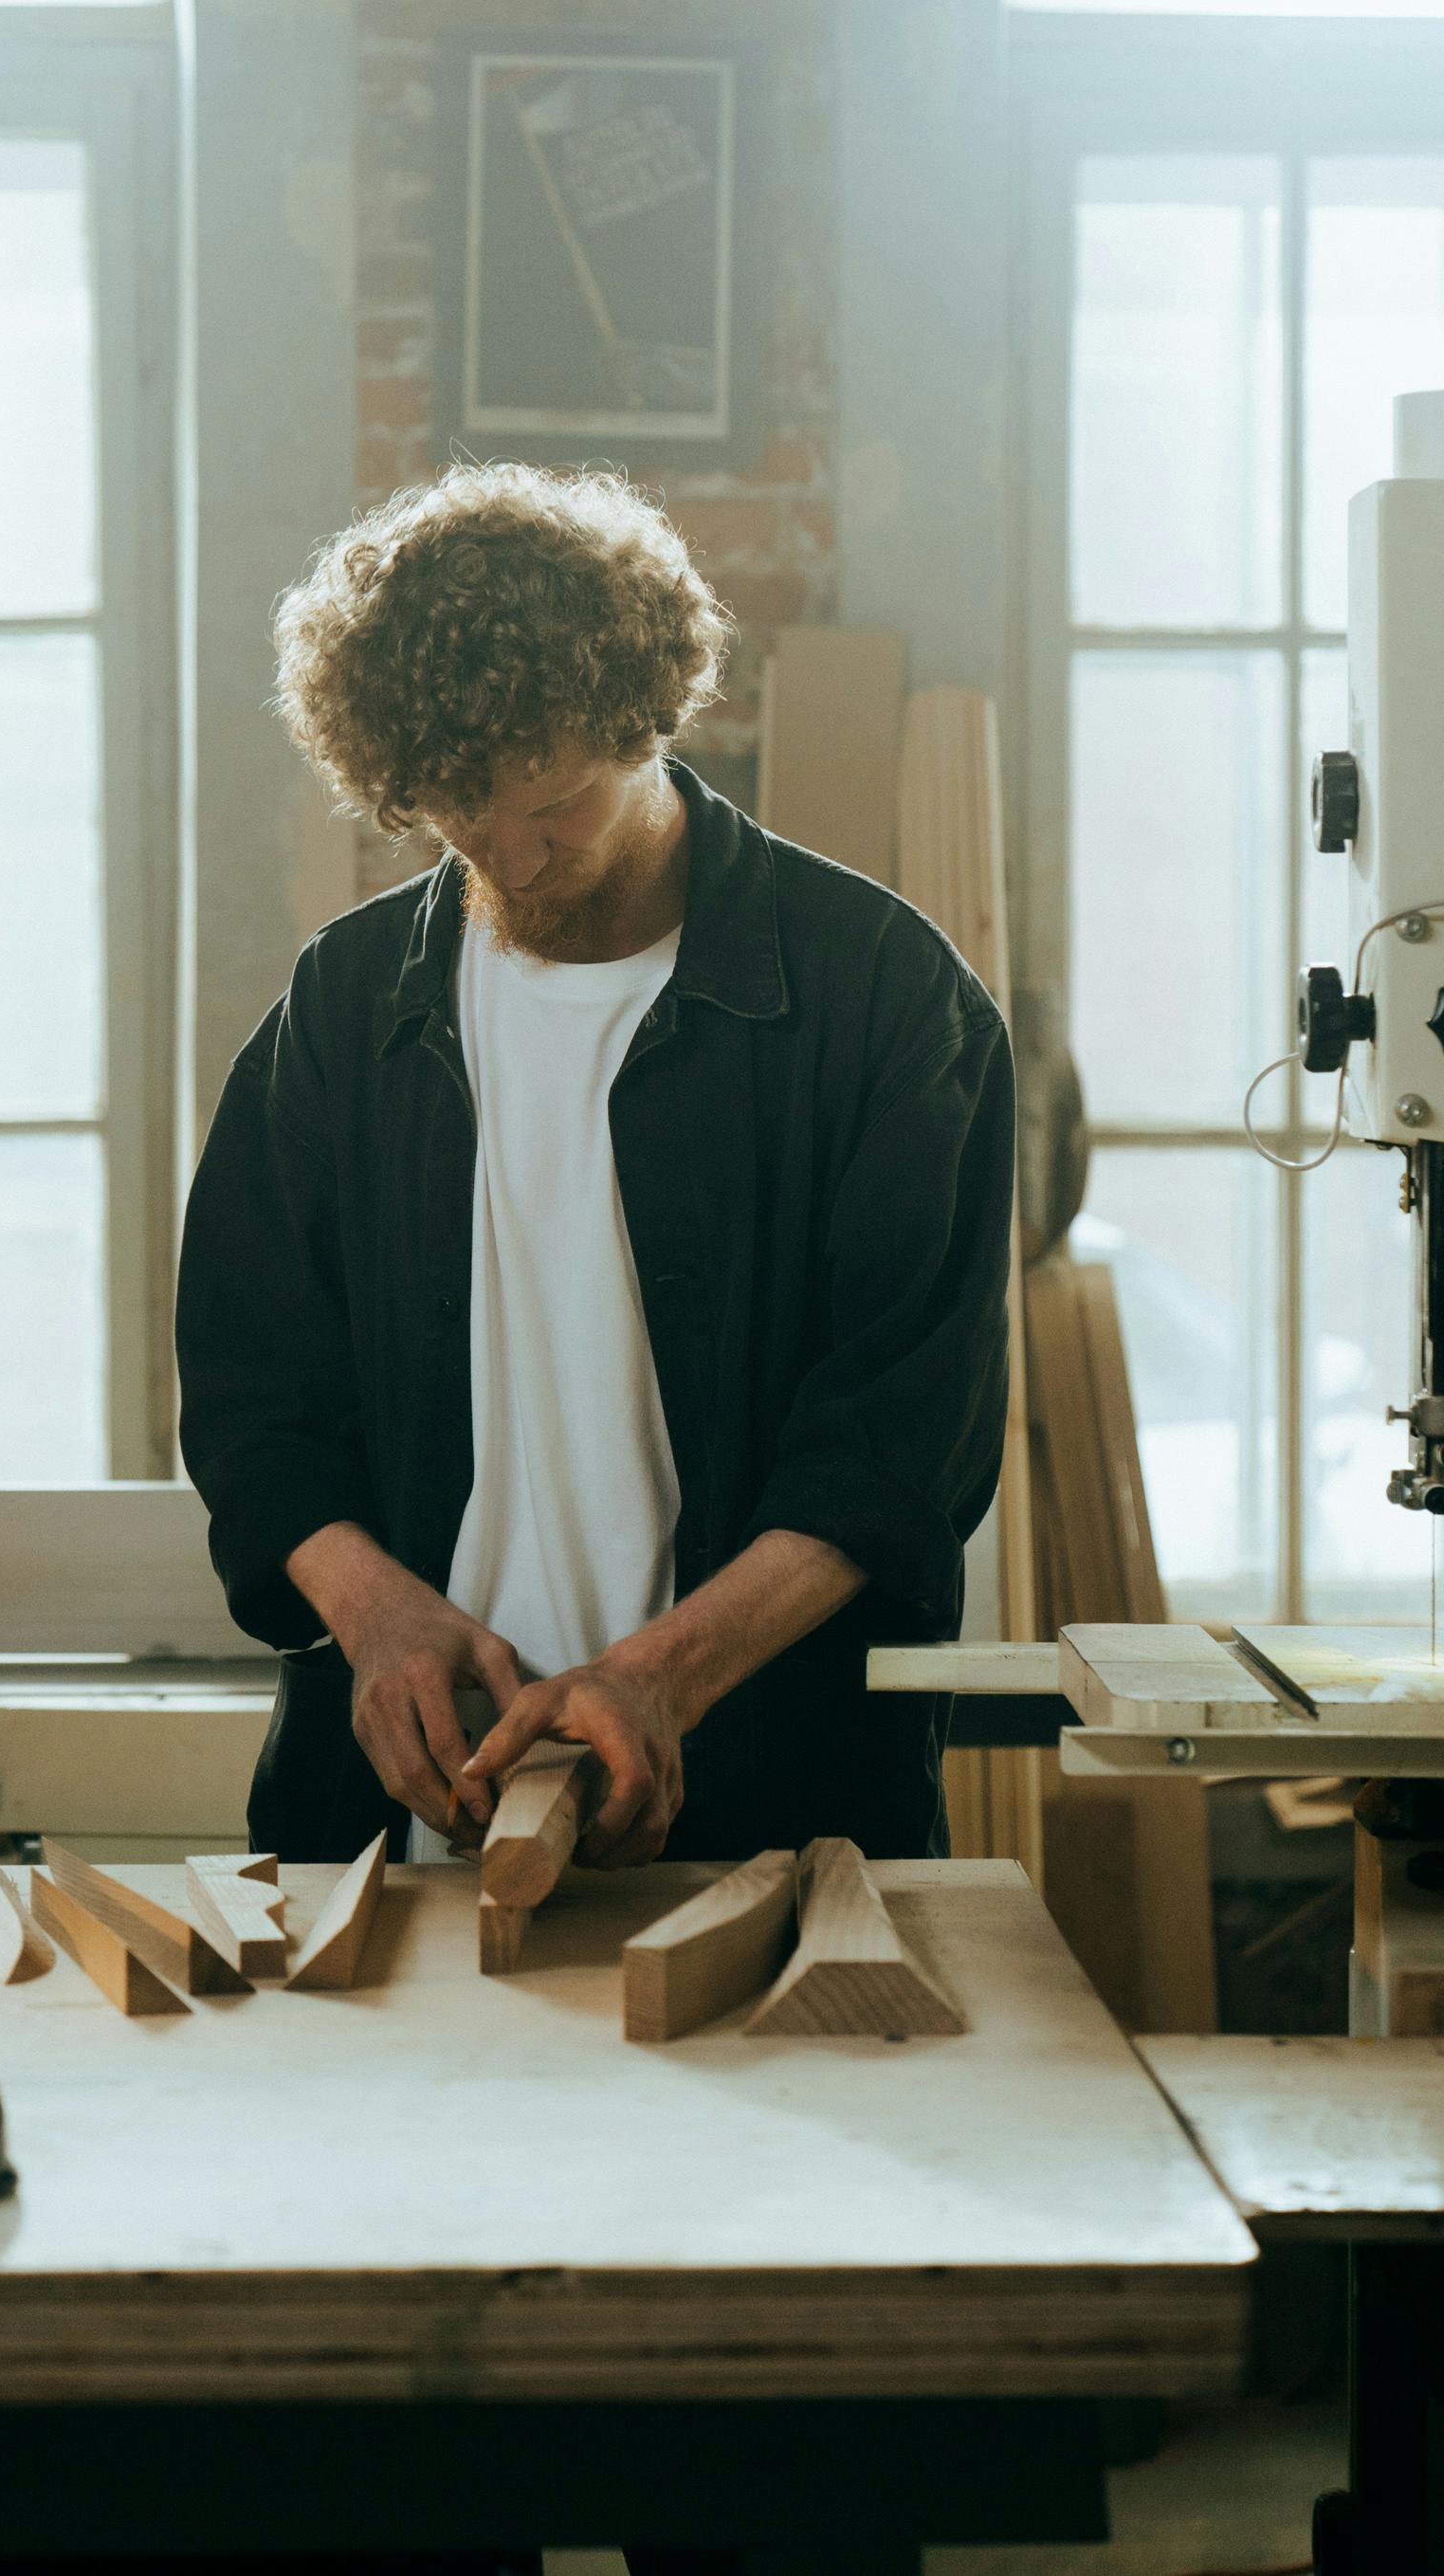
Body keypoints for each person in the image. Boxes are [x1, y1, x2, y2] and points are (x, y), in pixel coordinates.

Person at [176, 462, 1014, 1869]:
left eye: (551, 802)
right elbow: (254, 1389)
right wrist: (375, 1618)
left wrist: (659, 1677)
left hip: (763, 1804)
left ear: (645, 717)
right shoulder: (346, 1006)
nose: (508, 854)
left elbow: (899, 1442)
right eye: (453, 808)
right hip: (393, 1813)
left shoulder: (879, 997)